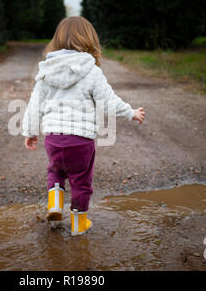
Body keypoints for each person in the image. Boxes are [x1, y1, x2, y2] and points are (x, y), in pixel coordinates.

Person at [21, 16, 145, 235]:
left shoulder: (46, 71)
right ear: (89, 40)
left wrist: (30, 131)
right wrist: (131, 113)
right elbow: (108, 102)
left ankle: (55, 204)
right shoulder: (91, 71)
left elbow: (34, 105)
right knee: (81, 181)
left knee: (55, 170)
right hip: (80, 141)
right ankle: (79, 224)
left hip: (53, 138)